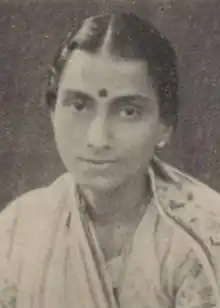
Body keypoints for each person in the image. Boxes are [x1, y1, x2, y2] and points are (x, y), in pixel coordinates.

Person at [0, 9, 220, 308]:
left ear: (164, 125)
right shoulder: (18, 229)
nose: (98, 139)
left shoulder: (205, 234)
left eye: (128, 111)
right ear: (53, 112)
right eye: (79, 105)